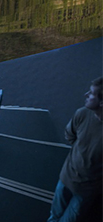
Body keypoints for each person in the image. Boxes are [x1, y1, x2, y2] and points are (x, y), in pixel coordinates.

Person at [48, 77, 102, 222]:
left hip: (87, 190)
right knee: (54, 217)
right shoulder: (82, 114)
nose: (86, 95)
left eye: (91, 93)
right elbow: (70, 134)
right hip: (66, 179)